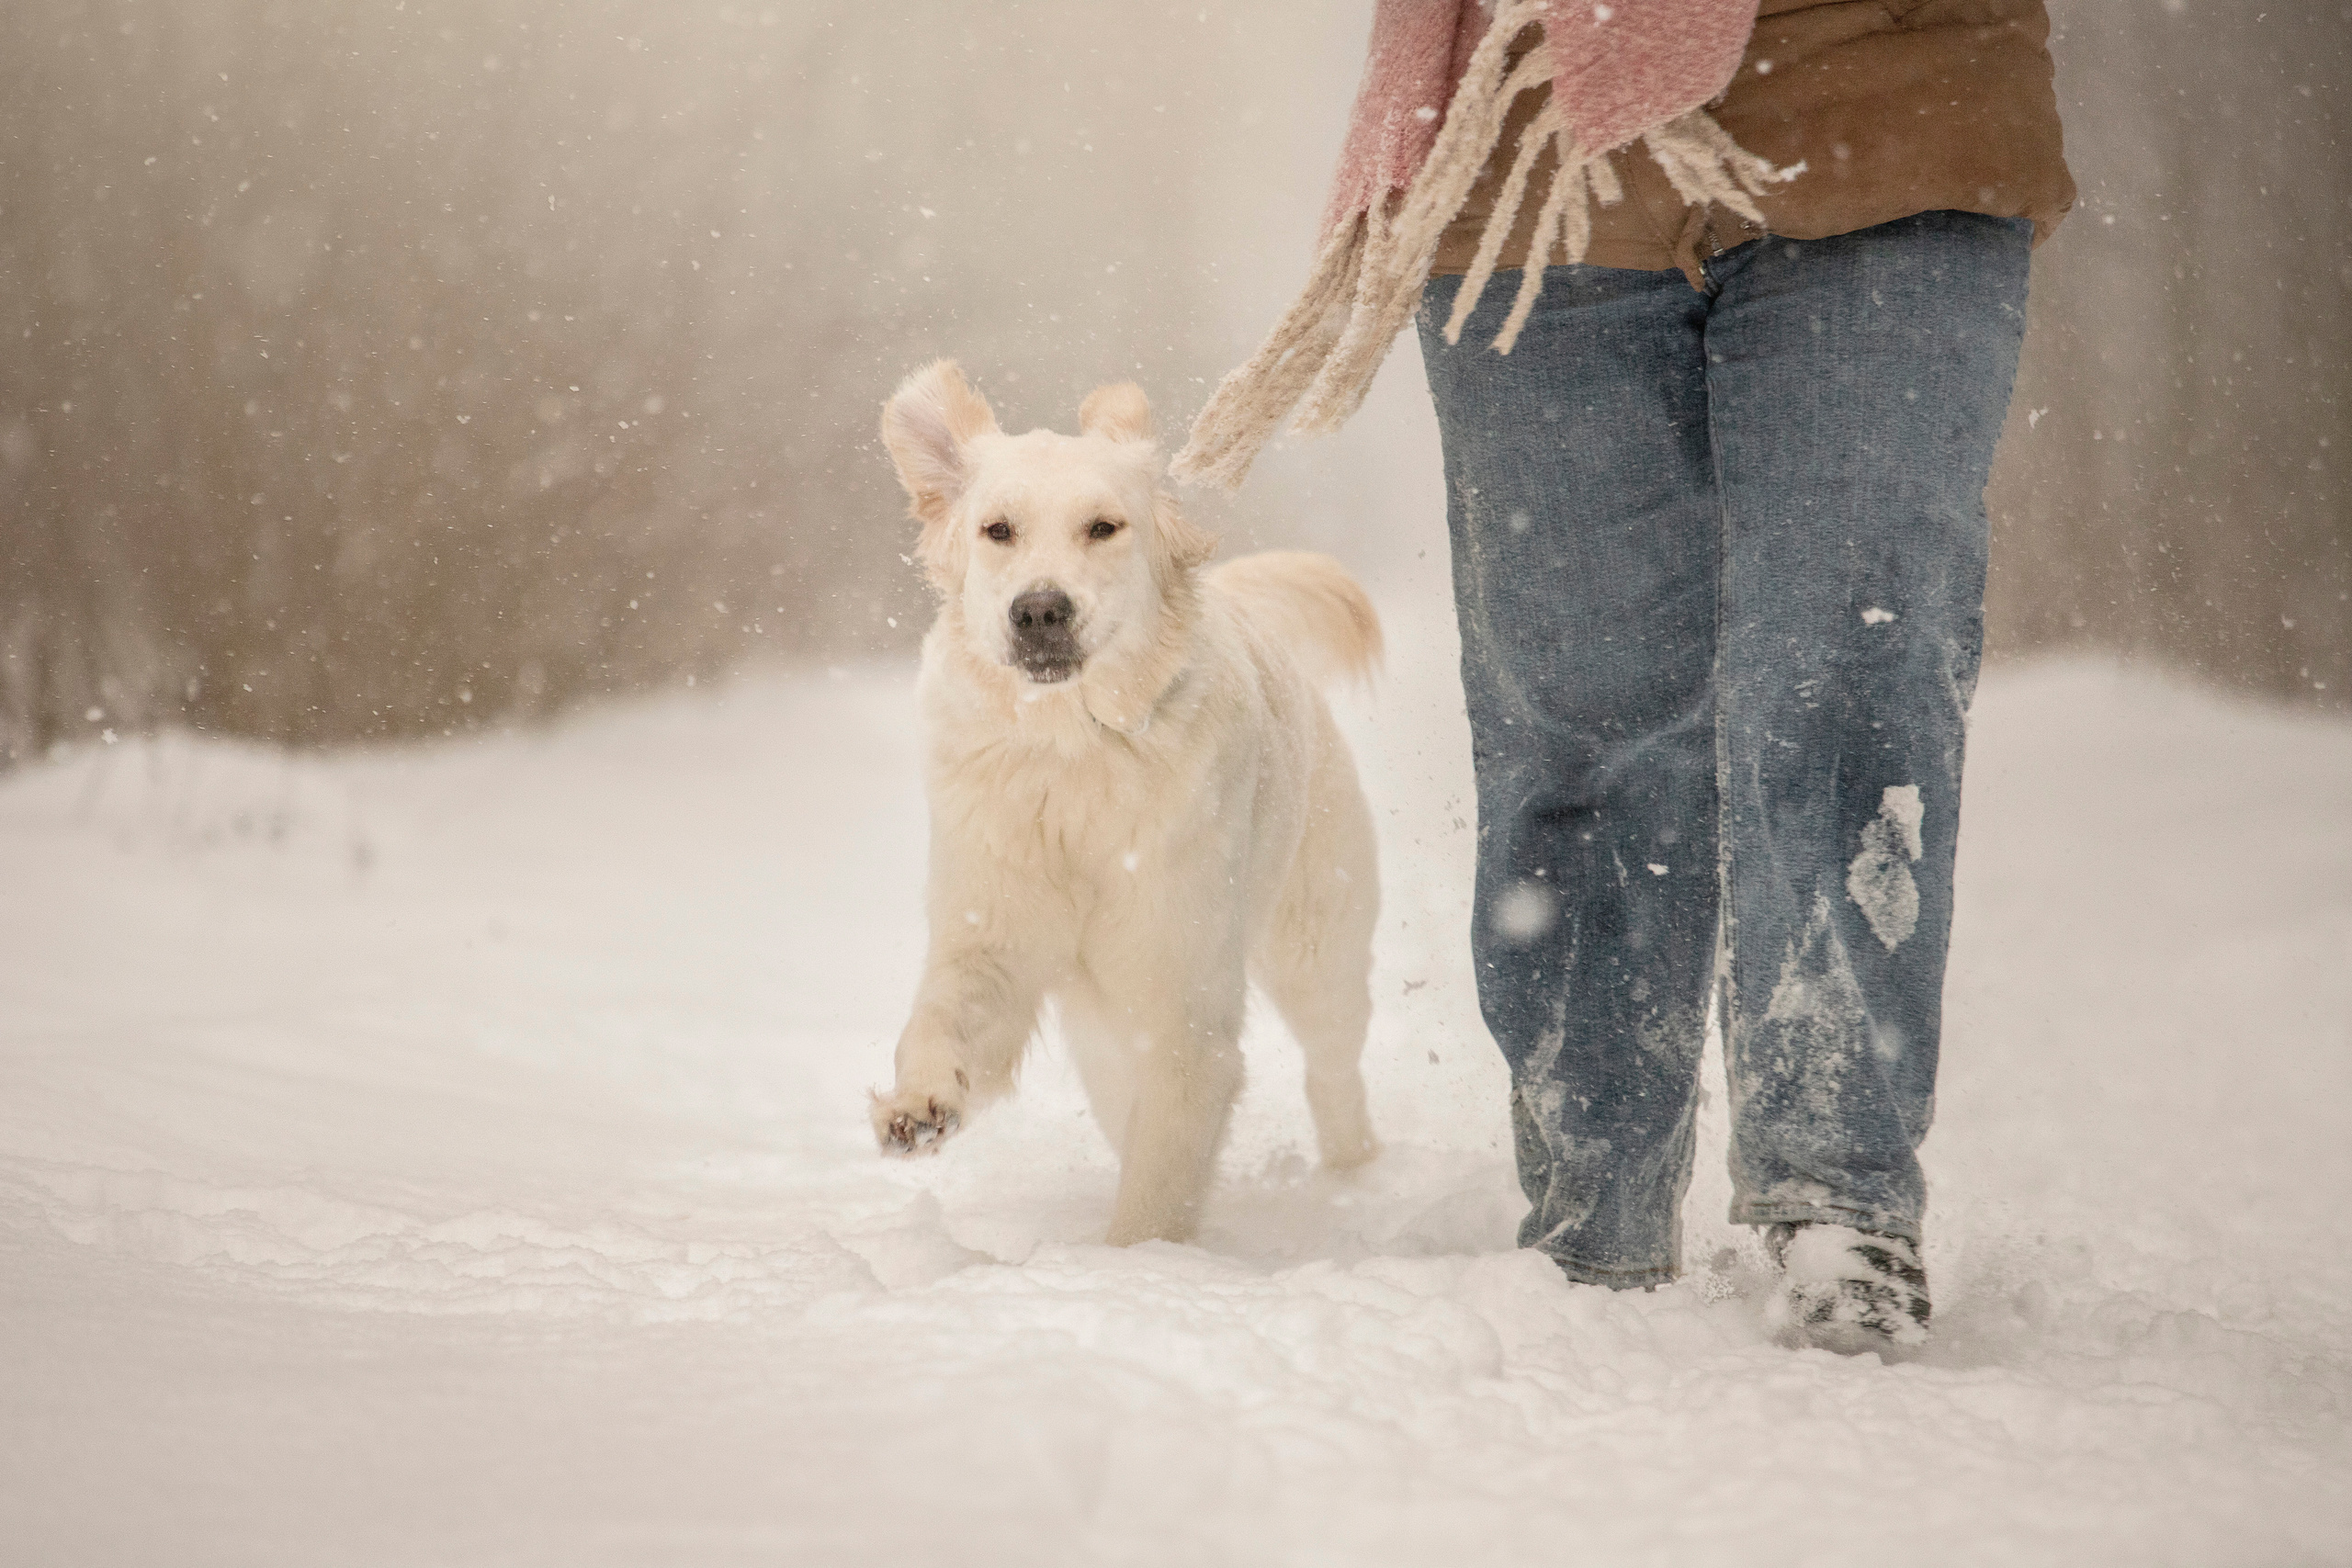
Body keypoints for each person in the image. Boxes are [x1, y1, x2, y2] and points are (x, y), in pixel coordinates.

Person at [1176, 0, 2073, 1353]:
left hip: (1888, 101)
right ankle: (1595, 1212)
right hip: (1529, 145)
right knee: (1576, 722)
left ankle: (1839, 1202)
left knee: (1846, 676)